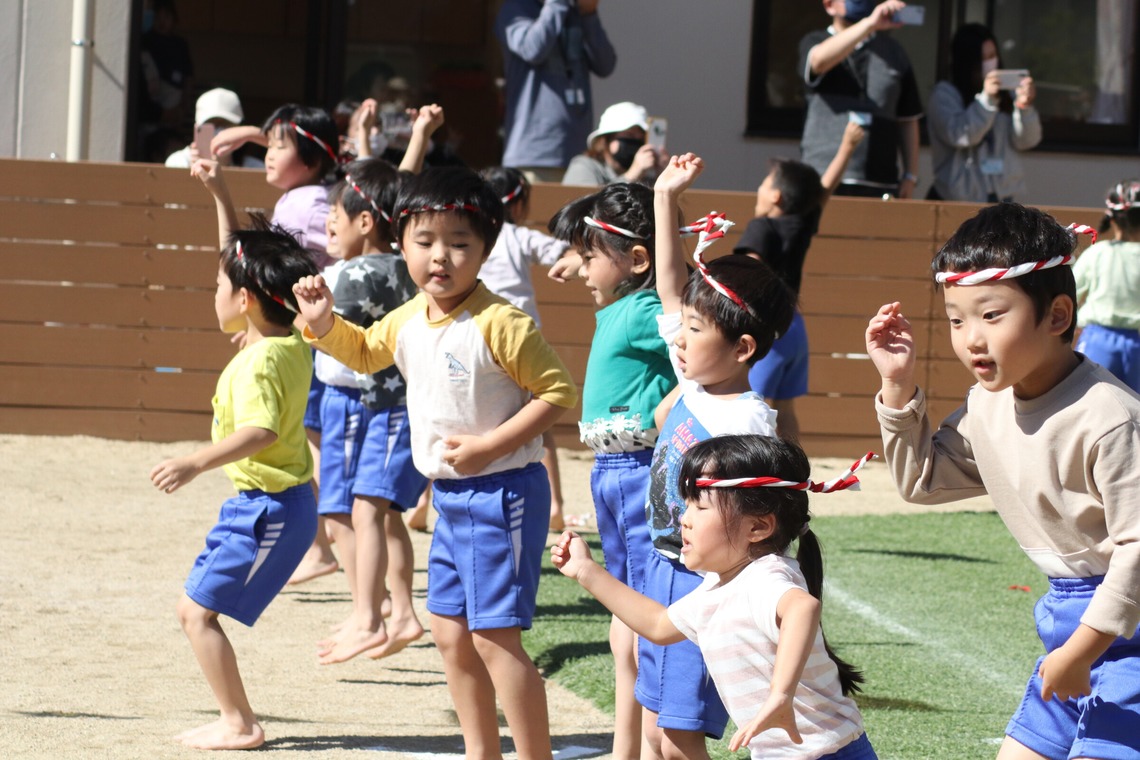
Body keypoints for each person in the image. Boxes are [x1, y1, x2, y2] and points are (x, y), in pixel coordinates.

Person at [293, 167, 577, 759]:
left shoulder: (502, 322)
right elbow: (367, 352)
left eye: (459, 244)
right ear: (401, 243)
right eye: (424, 242)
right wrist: (322, 323)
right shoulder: (407, 317)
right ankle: (482, 752)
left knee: (496, 640)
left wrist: (491, 446)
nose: (439, 257)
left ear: (487, 248)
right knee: (450, 635)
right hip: (450, 499)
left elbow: (557, 394)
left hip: (503, 495)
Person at [866, 203, 1140, 760]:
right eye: (957, 319)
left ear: (1058, 316)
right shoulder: (985, 405)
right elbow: (922, 479)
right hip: (1070, 623)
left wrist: (1082, 650)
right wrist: (897, 387)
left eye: (991, 315)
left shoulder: (1111, 416)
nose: (970, 338)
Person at [552, 434, 875, 759]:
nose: (684, 518)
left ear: (758, 528)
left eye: (700, 506)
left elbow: (802, 608)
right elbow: (659, 625)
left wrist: (780, 695)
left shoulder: (764, 577)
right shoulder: (717, 586)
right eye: (687, 504)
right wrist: (587, 572)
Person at [637, 152, 796, 759]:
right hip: (663, 564)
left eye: (697, 329)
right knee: (660, 727)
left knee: (679, 737)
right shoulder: (700, 375)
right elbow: (670, 287)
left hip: (703, 580)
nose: (680, 335)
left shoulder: (749, 421)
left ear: (743, 348)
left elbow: (763, 515)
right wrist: (663, 196)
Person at [149, 219, 320, 751]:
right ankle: (235, 718)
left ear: (245, 300)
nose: (213, 294)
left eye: (219, 287)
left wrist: (195, 462)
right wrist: (218, 195)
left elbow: (261, 431)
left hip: (270, 509)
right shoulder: (285, 338)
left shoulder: (259, 360)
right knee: (193, 611)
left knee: (197, 614)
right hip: (262, 504)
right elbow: (236, 258)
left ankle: (239, 724)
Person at [547, 180, 676, 759]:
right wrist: (582, 250)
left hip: (642, 472)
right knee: (623, 616)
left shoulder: (644, 310)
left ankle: (648, 745)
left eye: (589, 256)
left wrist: (670, 405)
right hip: (613, 473)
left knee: (644, 617)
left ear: (638, 260)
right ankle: (625, 748)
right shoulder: (620, 305)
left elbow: (692, 338)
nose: (579, 269)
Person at [310, 159, 429, 665]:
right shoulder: (406, 266)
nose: (328, 223)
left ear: (365, 221)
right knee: (383, 515)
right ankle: (400, 611)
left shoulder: (359, 273)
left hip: (390, 407)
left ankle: (370, 616)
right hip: (403, 406)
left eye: (335, 212)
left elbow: (320, 326)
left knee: (365, 509)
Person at [734, 121, 864, 442]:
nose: (759, 189)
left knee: (757, 404)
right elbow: (824, 190)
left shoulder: (761, 227)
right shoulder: (801, 225)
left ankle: (757, 466)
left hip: (768, 327)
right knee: (786, 408)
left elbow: (751, 275)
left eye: (764, 184)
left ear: (776, 195)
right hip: (795, 326)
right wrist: (847, 147)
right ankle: (791, 463)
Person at [480, 166, 574, 531]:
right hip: (522, 338)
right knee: (539, 420)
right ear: (517, 204)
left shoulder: (475, 236)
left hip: (480, 334)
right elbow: (558, 250)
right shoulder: (518, 235)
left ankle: (424, 501)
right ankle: (556, 506)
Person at [800, 0, 922, 198]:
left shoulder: (895, 52)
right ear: (829, 5)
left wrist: (910, 175)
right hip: (824, 177)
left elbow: (908, 118)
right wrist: (869, 24)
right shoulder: (815, 41)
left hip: (881, 181)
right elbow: (818, 62)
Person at [496, 0, 617, 182]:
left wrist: (589, 14)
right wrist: (557, 3)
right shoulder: (516, 9)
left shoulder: (575, 12)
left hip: (579, 154)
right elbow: (533, 49)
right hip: (535, 154)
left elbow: (605, 64)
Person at [926, 23, 1041, 203]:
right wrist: (987, 99)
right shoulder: (944, 94)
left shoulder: (1008, 93)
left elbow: (1027, 140)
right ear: (967, 62)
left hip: (1003, 200)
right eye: (983, 58)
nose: (990, 63)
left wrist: (1024, 107)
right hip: (958, 201)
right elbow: (961, 135)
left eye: (993, 56)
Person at [1073, 180, 1140, 392]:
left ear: (1111, 219)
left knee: (1088, 400)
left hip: (1097, 340)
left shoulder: (1097, 253)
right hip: (1137, 343)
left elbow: (1068, 294)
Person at [562, 101, 664, 186]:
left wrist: (663, 175)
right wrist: (632, 175)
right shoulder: (584, 167)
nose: (636, 143)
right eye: (629, 136)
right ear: (606, 139)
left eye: (641, 139)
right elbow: (588, 205)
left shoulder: (647, 176)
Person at [164, 88, 262, 170]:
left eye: (225, 125)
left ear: (238, 128)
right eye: (212, 125)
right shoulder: (179, 162)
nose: (219, 133)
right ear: (198, 128)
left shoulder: (256, 168)